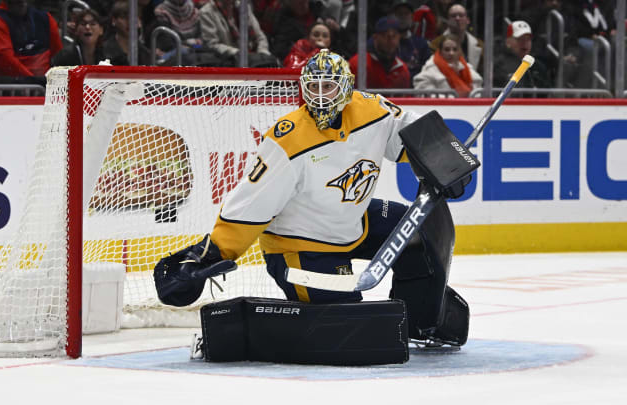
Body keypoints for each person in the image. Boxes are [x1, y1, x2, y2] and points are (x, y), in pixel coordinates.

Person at [154, 50, 469, 352]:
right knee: (350, 326)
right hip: (301, 248)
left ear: (345, 88)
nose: (320, 96)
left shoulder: (372, 110)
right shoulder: (286, 141)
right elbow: (248, 206)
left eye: (328, 87)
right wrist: (210, 254)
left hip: (352, 222)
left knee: (424, 230)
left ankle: (421, 321)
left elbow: (414, 131)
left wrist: (448, 158)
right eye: (313, 87)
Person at [0, 0, 63, 77]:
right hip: (12, 87)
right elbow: (6, 62)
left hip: (44, 85)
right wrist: (37, 82)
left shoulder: (45, 18)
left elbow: (58, 56)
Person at [199, 0, 279, 67]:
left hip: (254, 58)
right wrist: (238, 53)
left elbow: (260, 36)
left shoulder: (243, 6)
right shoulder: (206, 12)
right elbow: (211, 44)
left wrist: (262, 53)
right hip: (229, 62)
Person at [348, 16, 410, 89]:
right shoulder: (358, 63)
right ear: (375, 37)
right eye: (385, 35)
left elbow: (405, 98)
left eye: (394, 35)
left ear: (399, 37)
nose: (390, 40)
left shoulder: (402, 69)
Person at [414, 34, 482, 97]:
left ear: (459, 51)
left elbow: (478, 93)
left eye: (455, 49)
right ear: (440, 52)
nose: (451, 53)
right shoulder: (429, 71)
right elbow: (427, 96)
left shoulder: (468, 68)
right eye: (447, 50)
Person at [493, 20, 552, 91]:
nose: (524, 43)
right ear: (508, 42)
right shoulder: (498, 65)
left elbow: (548, 92)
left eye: (528, 39)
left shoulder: (538, 66)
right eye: (519, 39)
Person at [431, 3, 482, 73]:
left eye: (461, 15)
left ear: (468, 20)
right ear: (448, 20)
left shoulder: (480, 45)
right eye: (453, 16)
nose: (457, 18)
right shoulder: (435, 45)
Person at [390, 0, 432, 86]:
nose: (403, 17)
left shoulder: (421, 43)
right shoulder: (386, 42)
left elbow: (428, 70)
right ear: (392, 17)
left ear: (412, 17)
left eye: (406, 13)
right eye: (399, 14)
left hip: (416, 90)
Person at [102, 0, 151, 66]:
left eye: (133, 18)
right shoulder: (102, 51)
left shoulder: (146, 54)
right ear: (113, 20)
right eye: (124, 18)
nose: (129, 23)